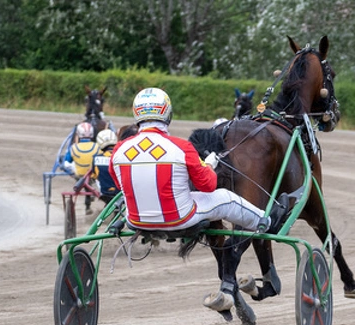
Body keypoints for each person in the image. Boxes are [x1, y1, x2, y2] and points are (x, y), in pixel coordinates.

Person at [109, 88, 288, 310]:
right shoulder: (182, 147)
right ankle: (267, 222)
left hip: (135, 220)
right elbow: (208, 185)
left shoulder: (119, 150)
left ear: (137, 114)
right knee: (225, 198)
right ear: (167, 114)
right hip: (180, 218)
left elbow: (122, 185)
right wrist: (208, 166)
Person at [64, 122, 100, 214]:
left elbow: (67, 161)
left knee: (72, 167)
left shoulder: (74, 147)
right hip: (93, 174)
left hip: (79, 175)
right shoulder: (96, 147)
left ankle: (86, 196)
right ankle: (90, 198)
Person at [92, 129, 119, 205]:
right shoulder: (120, 156)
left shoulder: (96, 158)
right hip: (120, 192)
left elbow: (94, 176)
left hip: (105, 193)